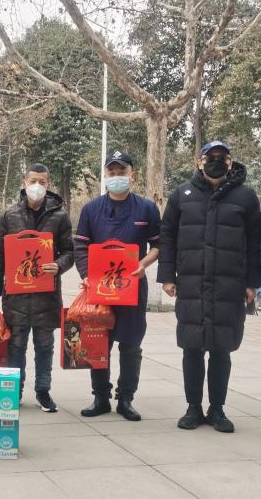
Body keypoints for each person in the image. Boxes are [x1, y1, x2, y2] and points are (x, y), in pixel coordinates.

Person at [157, 140, 261, 433]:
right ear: (199, 162)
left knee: (221, 349)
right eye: (210, 157)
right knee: (191, 348)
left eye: (222, 157)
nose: (216, 161)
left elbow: (255, 242)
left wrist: (252, 282)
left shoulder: (246, 197)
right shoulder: (182, 194)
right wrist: (167, 276)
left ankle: (217, 410)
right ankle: (193, 408)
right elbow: (167, 236)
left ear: (230, 162)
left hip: (229, 285)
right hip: (191, 283)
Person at [73, 152, 161, 420]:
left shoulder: (147, 208)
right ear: (105, 176)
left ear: (132, 174)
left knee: (131, 345)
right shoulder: (91, 209)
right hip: (99, 290)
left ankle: (126, 398)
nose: (117, 177)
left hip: (132, 286)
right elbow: (80, 246)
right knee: (98, 343)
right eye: (112, 173)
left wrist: (143, 264)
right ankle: (100, 397)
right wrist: (86, 275)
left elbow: (159, 245)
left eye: (122, 172)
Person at [0, 163, 73, 413]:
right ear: (24, 183)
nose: (37, 186)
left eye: (42, 182)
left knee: (45, 345)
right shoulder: (9, 215)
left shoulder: (60, 216)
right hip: (17, 296)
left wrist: (59, 265)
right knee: (16, 345)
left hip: (47, 294)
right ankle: (14, 390)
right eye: (32, 181)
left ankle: (43, 391)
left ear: (48, 185)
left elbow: (70, 251)